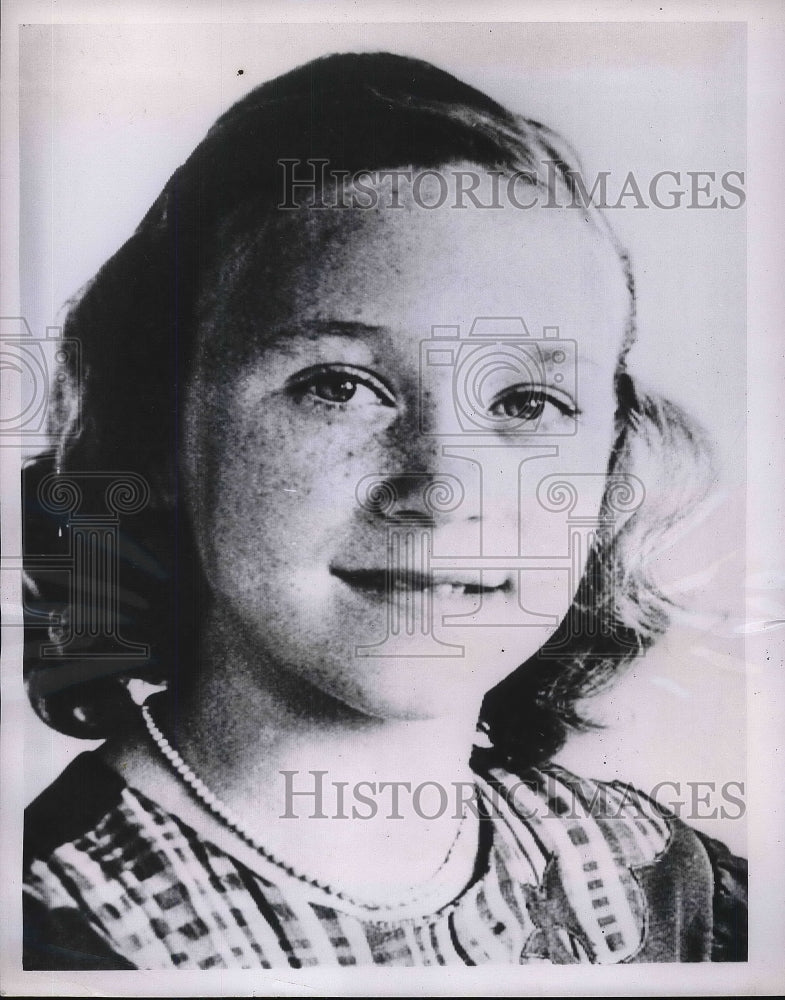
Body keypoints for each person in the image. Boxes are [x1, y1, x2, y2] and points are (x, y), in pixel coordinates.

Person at [22, 51, 746, 969]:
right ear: (157, 430)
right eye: (339, 387)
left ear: (608, 458)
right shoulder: (57, 926)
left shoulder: (655, 879)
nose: (442, 485)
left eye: (526, 404)